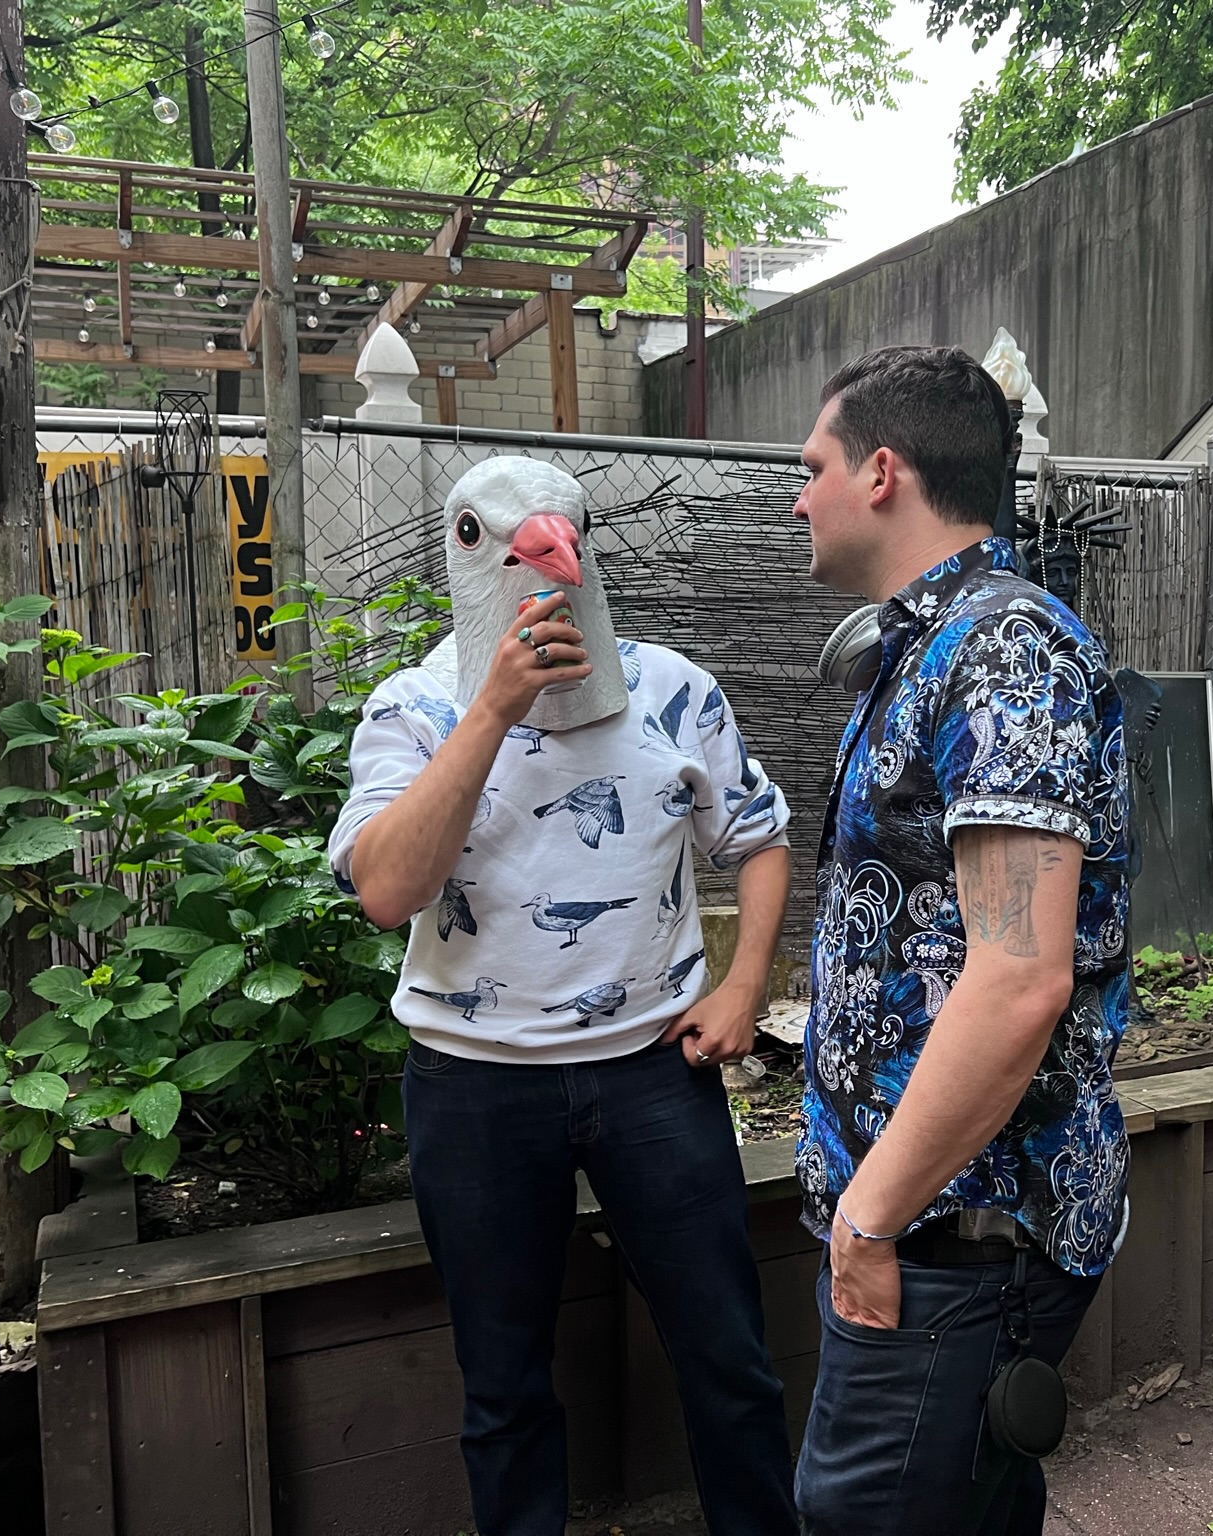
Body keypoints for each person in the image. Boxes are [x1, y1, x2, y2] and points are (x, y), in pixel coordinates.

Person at [329, 455, 800, 1536]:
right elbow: (388, 890)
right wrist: (489, 708)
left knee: (727, 1359)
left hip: (654, 1078)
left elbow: (761, 842)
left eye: (555, 530)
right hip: (472, 1089)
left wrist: (743, 986)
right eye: (500, 536)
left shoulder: (675, 691)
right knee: (502, 1388)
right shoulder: (409, 708)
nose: (535, 552)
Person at [789, 347, 1130, 1533]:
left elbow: (1016, 977)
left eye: (812, 466)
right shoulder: (927, 650)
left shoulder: (1001, 653)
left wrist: (869, 1219)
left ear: (881, 472)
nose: (799, 497)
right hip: (929, 1217)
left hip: (955, 1229)